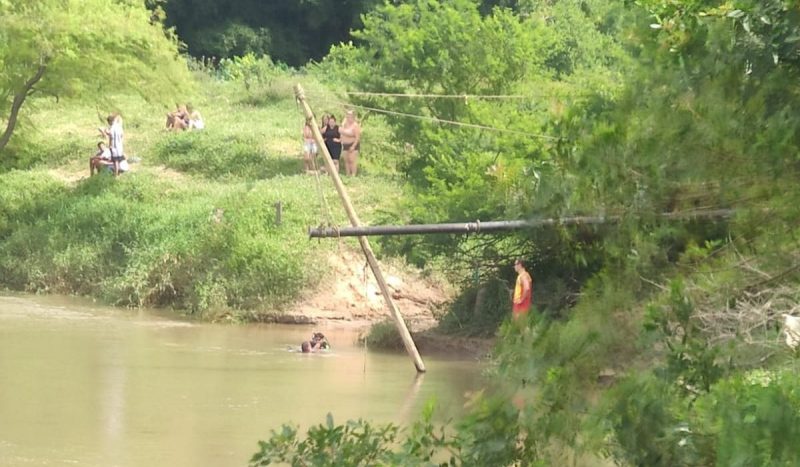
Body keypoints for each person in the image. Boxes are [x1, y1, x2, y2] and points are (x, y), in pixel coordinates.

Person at [339, 110, 362, 176]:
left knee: (352, 160)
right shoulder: (344, 124)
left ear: (353, 117)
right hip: (345, 144)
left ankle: (353, 175)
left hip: (353, 144)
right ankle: (347, 174)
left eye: (350, 116)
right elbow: (341, 130)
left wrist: (353, 146)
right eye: (348, 116)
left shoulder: (355, 125)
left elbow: (357, 137)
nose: (349, 117)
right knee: (346, 160)